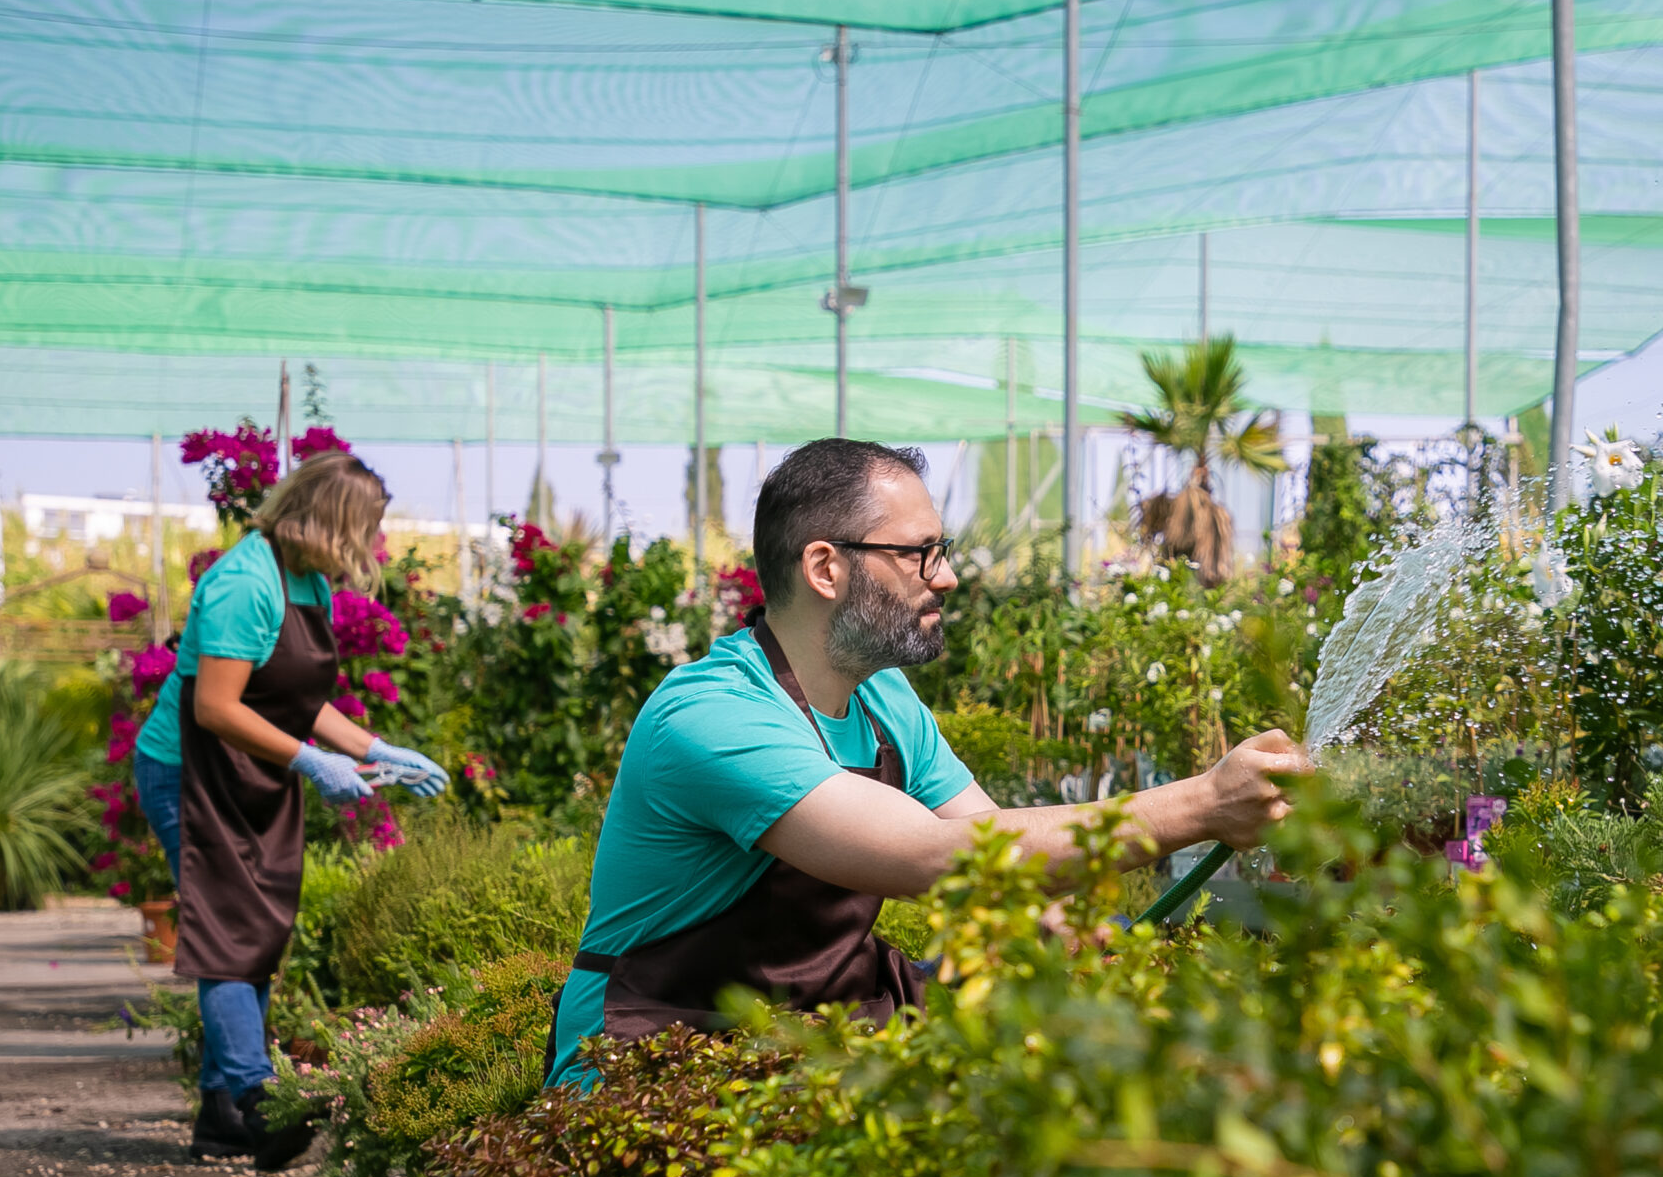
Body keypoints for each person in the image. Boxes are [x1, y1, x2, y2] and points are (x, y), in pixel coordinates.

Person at [547, 437, 1309, 1084]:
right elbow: (942, 858)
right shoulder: (714, 713)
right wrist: (1200, 805)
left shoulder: (884, 700)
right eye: (920, 553)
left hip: (811, 1035)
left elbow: (994, 851)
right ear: (825, 567)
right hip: (658, 1054)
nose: (945, 574)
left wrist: (1063, 921)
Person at [133, 450, 449, 1166]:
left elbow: (301, 700)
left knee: (257, 925)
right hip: (191, 772)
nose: (372, 547)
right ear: (331, 522)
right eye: (366, 530)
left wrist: (375, 747)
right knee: (226, 931)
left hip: (251, 770)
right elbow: (214, 707)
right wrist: (309, 759)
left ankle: (220, 1115)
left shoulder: (306, 580)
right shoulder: (245, 584)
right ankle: (257, 1099)